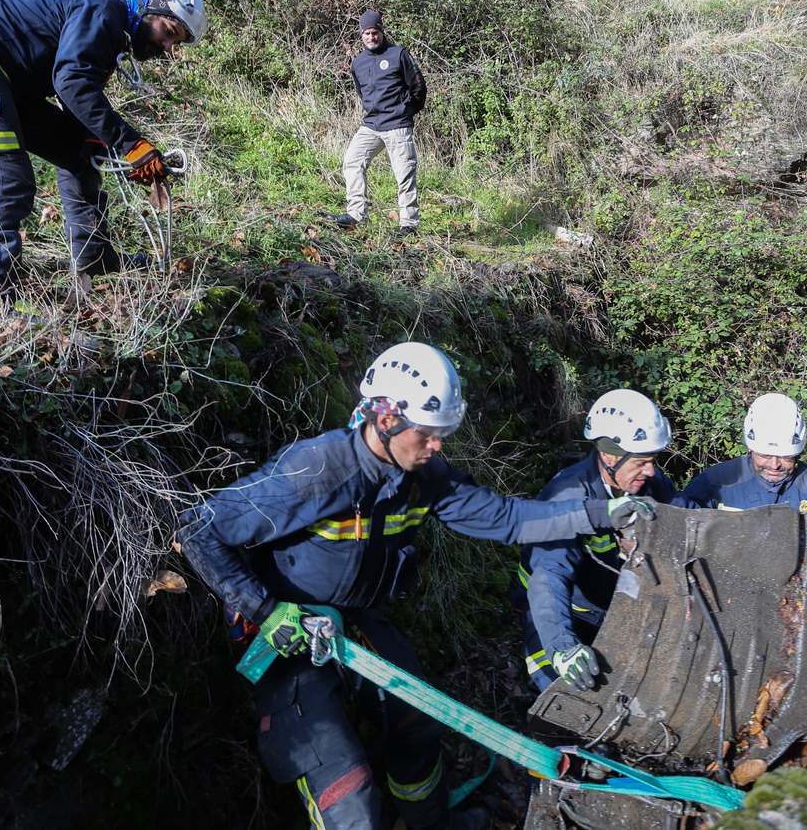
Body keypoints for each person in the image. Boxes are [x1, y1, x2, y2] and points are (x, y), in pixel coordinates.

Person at [178, 342, 657, 830]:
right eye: (428, 435)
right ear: (386, 421)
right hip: (284, 634)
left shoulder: (423, 478)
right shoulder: (317, 471)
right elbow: (196, 529)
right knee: (349, 794)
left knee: (419, 728)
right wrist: (266, 610)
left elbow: (507, 518)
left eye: (442, 435)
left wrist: (602, 513)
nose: (437, 447)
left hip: (353, 620)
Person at [0, 0, 205, 307]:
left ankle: (94, 258)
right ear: (150, 7)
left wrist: (104, 138)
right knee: (6, 179)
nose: (167, 47)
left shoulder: (109, 27)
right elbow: (72, 82)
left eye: (174, 42)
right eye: (169, 31)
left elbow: (74, 90)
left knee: (82, 147)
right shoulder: (104, 12)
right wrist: (130, 144)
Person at [513, 389, 679, 692]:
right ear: (608, 455)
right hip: (557, 615)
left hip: (618, 610)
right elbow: (548, 577)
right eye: (641, 462)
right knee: (563, 698)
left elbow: (680, 525)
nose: (651, 470)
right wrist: (563, 648)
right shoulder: (567, 498)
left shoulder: (650, 483)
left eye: (653, 460)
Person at [680, 393, 807, 574]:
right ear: (750, 447)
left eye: (786, 457)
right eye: (765, 455)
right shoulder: (717, 483)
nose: (774, 465)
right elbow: (681, 523)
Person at [335, 9, 426, 234]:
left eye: (374, 32)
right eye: (366, 33)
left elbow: (418, 87)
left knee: (404, 174)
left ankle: (409, 224)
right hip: (371, 125)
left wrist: (405, 112)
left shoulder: (399, 54)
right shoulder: (358, 62)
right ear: (361, 35)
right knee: (352, 161)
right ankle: (356, 214)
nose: (371, 37)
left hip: (397, 125)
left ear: (381, 32)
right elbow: (361, 92)